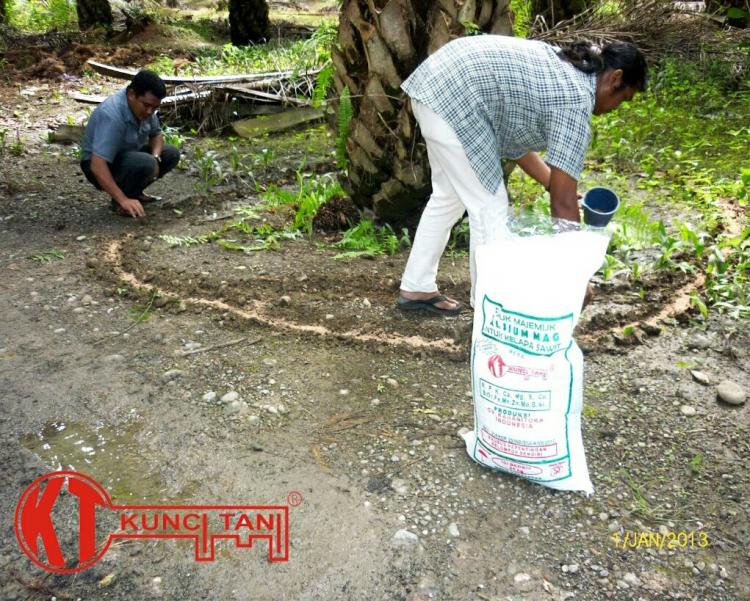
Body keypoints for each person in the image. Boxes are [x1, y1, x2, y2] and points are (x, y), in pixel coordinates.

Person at [396, 36, 648, 316]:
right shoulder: (576, 100)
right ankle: (490, 311)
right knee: (490, 208)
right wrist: (576, 276)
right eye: (623, 100)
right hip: (457, 97)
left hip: (438, 86)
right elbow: (563, 204)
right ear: (616, 79)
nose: (615, 108)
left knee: (450, 196)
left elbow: (515, 140)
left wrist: (552, 182)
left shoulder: (570, 69)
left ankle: (417, 285)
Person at [80, 70, 181, 219]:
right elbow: (97, 165)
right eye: (146, 105)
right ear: (131, 95)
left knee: (170, 153)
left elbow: (156, 135)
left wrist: (156, 157)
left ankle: (135, 193)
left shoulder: (147, 108)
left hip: (128, 155)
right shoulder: (112, 115)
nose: (149, 111)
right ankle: (121, 201)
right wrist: (123, 199)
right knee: (145, 163)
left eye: (154, 108)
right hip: (97, 164)